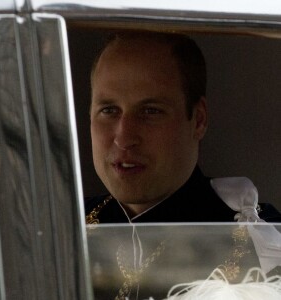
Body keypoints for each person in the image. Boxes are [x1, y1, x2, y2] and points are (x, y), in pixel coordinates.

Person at [86, 31, 281, 224]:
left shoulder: (262, 241)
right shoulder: (65, 228)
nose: (124, 138)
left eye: (151, 111)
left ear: (198, 120)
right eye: (109, 110)